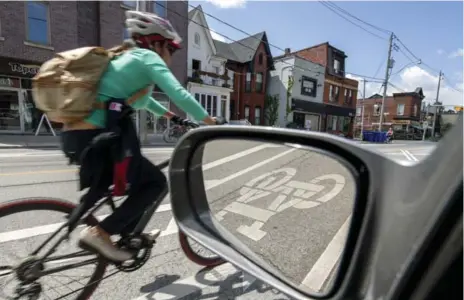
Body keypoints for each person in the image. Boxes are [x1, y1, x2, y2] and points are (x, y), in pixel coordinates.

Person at [61, 10, 219, 262]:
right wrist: (212, 122)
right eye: (171, 48)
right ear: (156, 43)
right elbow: (179, 93)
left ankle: (128, 235)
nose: (171, 55)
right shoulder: (147, 57)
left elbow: (143, 101)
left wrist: (174, 118)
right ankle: (100, 232)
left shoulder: (124, 59)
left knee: (139, 182)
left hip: (77, 137)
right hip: (99, 139)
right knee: (156, 184)